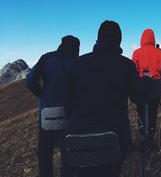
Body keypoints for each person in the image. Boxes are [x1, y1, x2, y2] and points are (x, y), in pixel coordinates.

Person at [66, 21, 141, 177]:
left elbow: (66, 101)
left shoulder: (78, 63)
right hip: (115, 141)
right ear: (119, 40)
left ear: (98, 38)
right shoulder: (127, 65)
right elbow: (139, 98)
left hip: (78, 139)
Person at [26, 35, 80, 177]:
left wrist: (43, 95)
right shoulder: (76, 61)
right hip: (68, 112)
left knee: (45, 152)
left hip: (47, 112)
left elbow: (30, 81)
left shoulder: (46, 58)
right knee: (67, 151)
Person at [132, 29, 161, 142]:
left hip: (141, 85)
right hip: (156, 85)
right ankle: (151, 134)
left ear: (142, 39)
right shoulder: (159, 52)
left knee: (141, 110)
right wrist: (159, 78)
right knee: (153, 112)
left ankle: (142, 134)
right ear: (153, 38)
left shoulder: (137, 52)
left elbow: (133, 71)